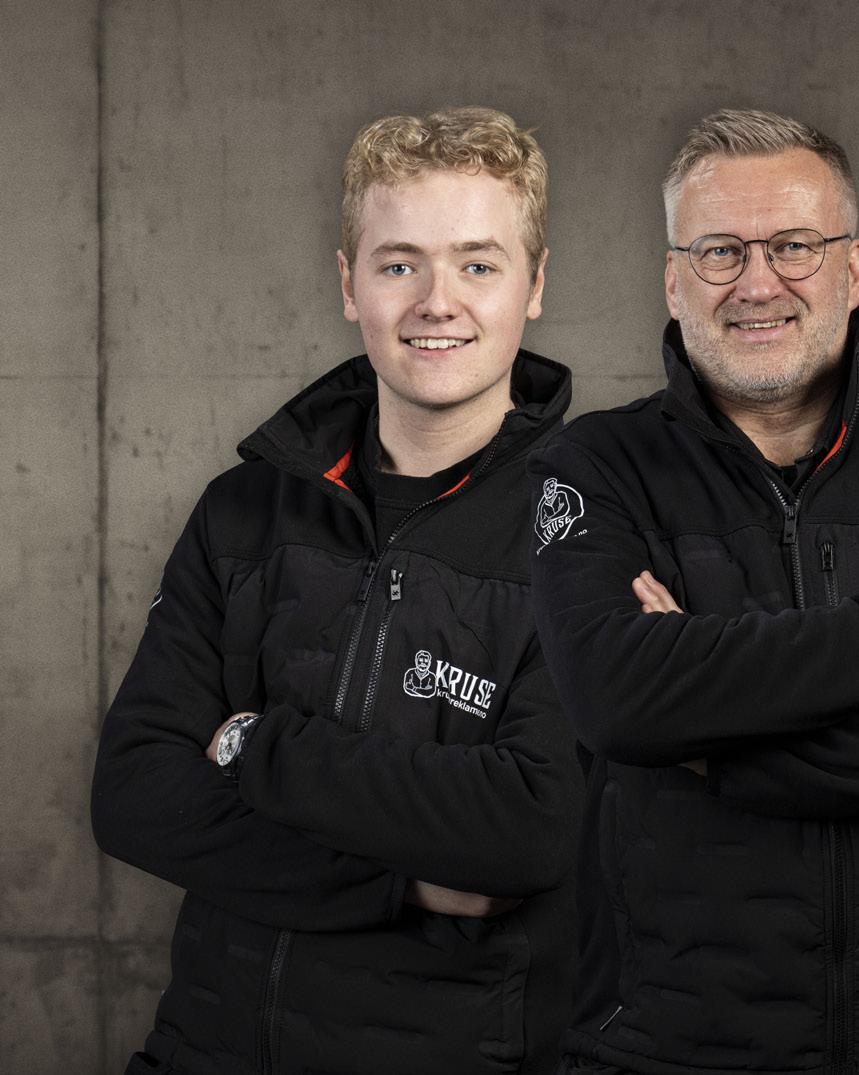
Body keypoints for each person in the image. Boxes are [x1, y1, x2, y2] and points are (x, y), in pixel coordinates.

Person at [525, 109, 859, 1075]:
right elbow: (615, 698)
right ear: (673, 279)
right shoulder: (596, 466)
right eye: (719, 251)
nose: (758, 282)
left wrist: (707, 744)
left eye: (795, 246)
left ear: (854, 269)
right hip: (668, 1050)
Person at [91, 106, 581, 1075]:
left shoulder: (587, 536)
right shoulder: (244, 512)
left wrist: (252, 745)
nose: (437, 301)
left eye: (477, 265)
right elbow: (134, 793)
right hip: (203, 1051)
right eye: (399, 264)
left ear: (534, 286)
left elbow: (528, 831)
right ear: (348, 283)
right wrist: (399, 883)